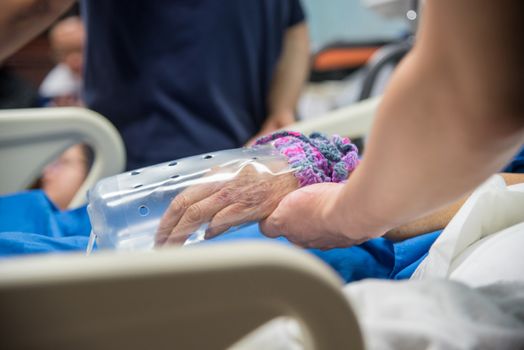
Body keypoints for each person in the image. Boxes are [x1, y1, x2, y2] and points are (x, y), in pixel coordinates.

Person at [39, 15, 84, 107]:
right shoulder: (53, 88)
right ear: (54, 55)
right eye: (65, 53)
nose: (74, 58)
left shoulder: (108, 75)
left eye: (80, 49)